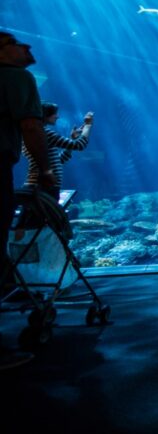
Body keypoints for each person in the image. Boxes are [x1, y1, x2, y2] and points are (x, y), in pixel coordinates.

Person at [0, 32, 52, 370]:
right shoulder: (17, 77)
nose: (27, 46)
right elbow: (31, 128)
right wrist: (45, 169)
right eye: (17, 42)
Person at [23, 102, 94, 199]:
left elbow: (59, 160)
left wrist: (72, 139)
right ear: (45, 115)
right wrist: (88, 125)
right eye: (55, 113)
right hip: (43, 186)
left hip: (39, 185)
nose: (57, 116)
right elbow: (80, 145)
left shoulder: (35, 134)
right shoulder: (44, 133)